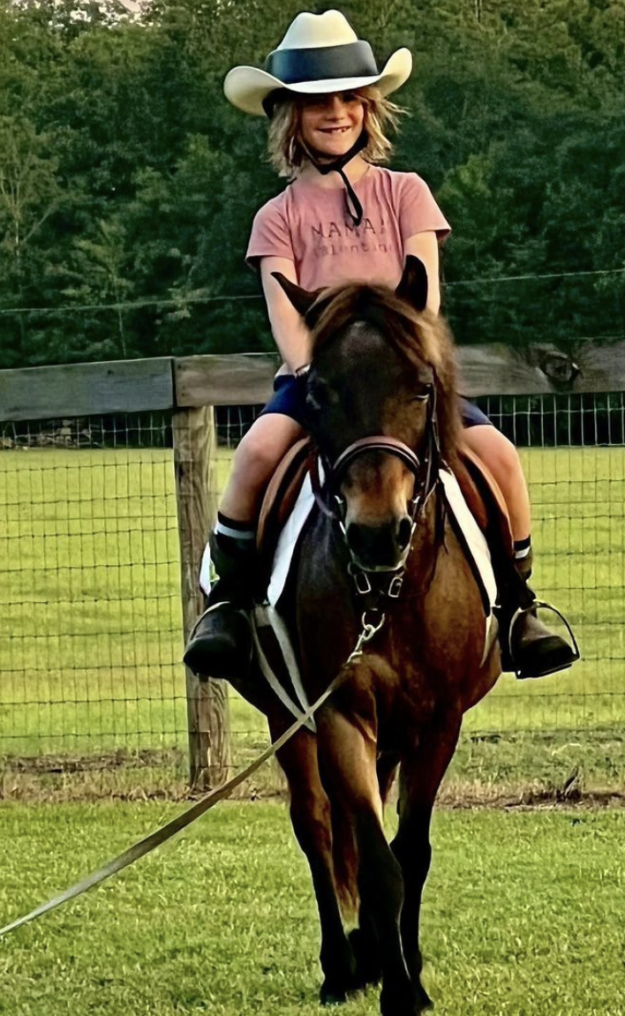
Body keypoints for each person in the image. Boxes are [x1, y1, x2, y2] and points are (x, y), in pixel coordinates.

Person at [184, 9, 577, 681]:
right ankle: (227, 605)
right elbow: (286, 313)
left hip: (402, 381)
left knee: (498, 455)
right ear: (289, 118)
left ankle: (517, 607)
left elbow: (424, 298)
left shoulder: (407, 194)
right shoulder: (277, 216)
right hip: (325, 384)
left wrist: (407, 363)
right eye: (316, 104)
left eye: (347, 99)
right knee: (254, 455)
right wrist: (317, 372)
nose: (334, 113)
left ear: (368, 109)